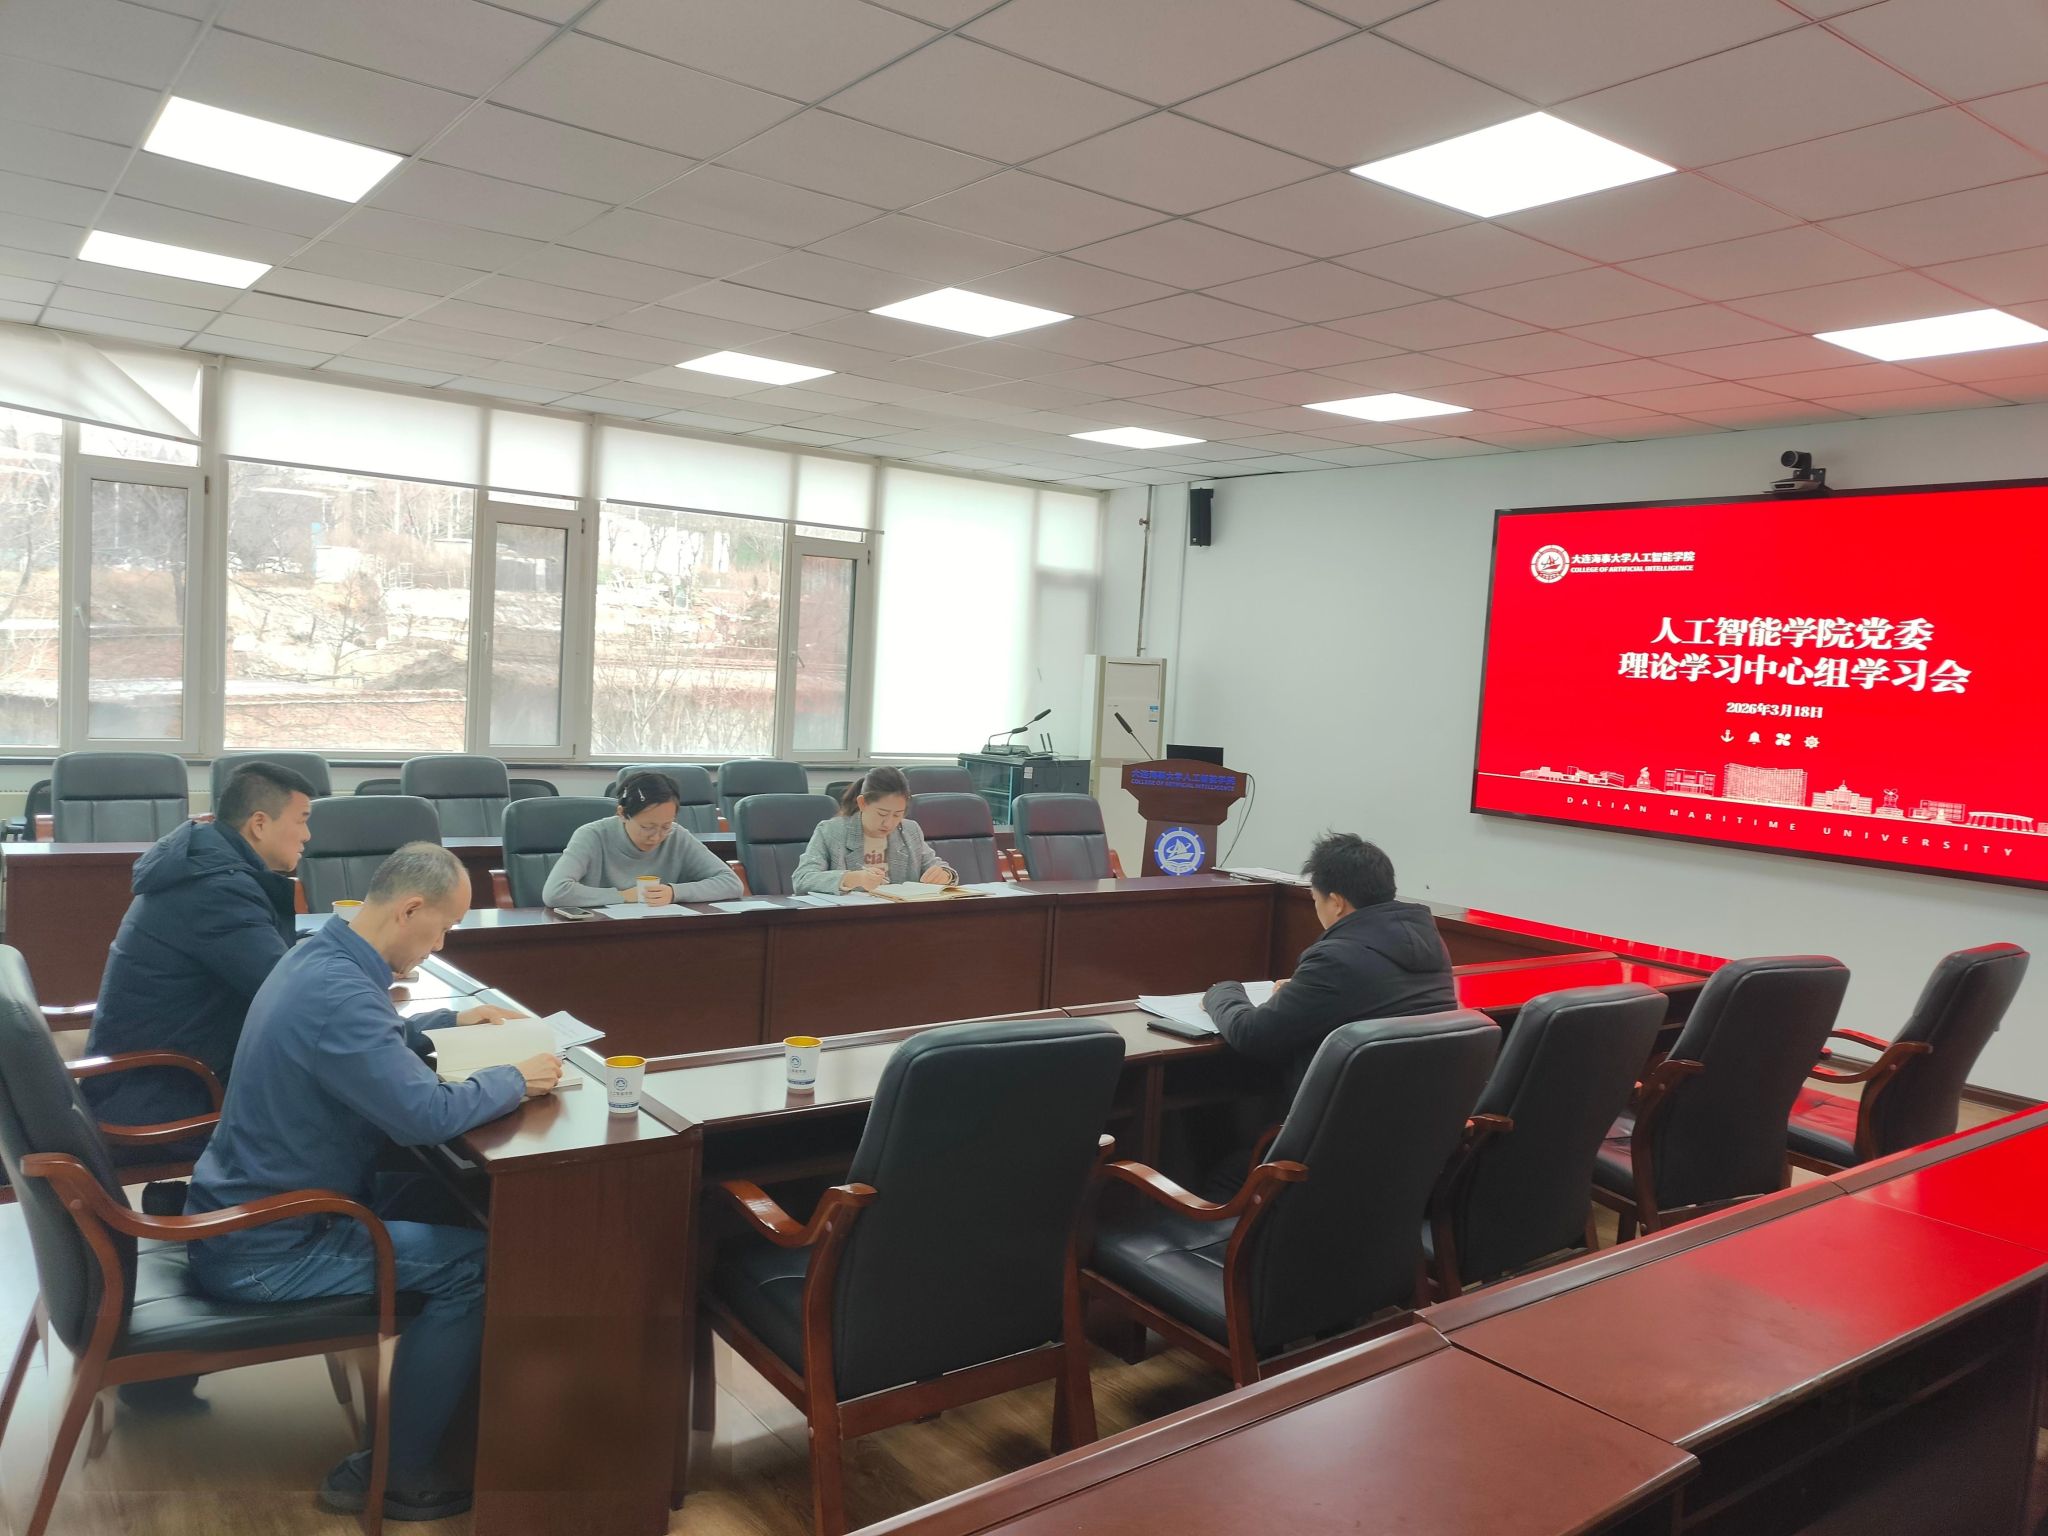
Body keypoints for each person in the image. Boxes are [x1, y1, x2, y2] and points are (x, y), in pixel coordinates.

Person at [184, 844, 557, 1522]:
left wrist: (444, 1021)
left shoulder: (318, 955)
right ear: (409, 909)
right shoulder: (339, 994)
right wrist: (512, 1078)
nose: (441, 944)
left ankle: (464, 1413)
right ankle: (393, 1473)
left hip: (259, 1206)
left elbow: (364, 1036)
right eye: (443, 927)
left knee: (454, 1201)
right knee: (476, 1268)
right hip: (270, 1245)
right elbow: (424, 1116)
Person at [82, 762, 319, 1149]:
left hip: (157, 1077)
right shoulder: (217, 889)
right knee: (339, 1110)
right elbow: (292, 997)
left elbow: (263, 950)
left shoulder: (208, 865)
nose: (307, 835)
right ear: (260, 824)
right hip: (165, 1099)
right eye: (302, 820)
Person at [1203, 833, 1455, 1094]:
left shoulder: (1336, 959)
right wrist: (1302, 989)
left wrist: (1222, 991)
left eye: (1315, 899)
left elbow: (1252, 1034)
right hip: (1417, 1105)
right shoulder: (1431, 943)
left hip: (1344, 1109)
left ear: (1336, 903)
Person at [542, 770, 742, 908]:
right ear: (622, 813)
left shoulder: (677, 835)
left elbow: (731, 883)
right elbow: (555, 892)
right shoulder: (592, 835)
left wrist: (674, 892)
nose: (656, 836)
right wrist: (622, 896)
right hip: (599, 931)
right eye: (647, 827)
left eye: (665, 826)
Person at [791, 766, 956, 895]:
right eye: (882, 814)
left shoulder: (909, 830)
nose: (889, 823)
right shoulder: (831, 831)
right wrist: (851, 878)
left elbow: (937, 866)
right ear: (862, 803)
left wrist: (945, 875)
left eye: (897, 814)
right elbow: (802, 879)